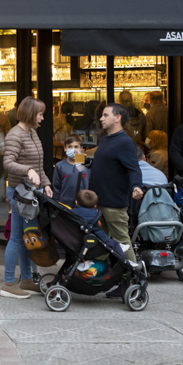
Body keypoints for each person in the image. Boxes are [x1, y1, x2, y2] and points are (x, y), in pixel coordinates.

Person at [0, 96, 53, 299]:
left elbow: (39, 166)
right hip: (20, 194)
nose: (42, 117)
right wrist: (28, 170)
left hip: (29, 193)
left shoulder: (32, 133)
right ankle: (8, 283)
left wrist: (46, 183)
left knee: (25, 238)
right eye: (40, 114)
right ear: (31, 114)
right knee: (16, 239)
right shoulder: (15, 135)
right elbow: (8, 162)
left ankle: (26, 280)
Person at [87, 104, 144, 285]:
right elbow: (101, 163)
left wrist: (136, 186)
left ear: (117, 117)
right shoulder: (105, 139)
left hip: (114, 203)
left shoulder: (125, 142)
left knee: (121, 241)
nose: (101, 119)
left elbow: (134, 169)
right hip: (99, 202)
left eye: (105, 115)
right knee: (101, 242)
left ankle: (134, 278)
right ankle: (102, 277)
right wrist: (79, 159)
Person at [52, 134, 90, 208]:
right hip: (64, 205)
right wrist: (57, 205)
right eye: (70, 147)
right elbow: (56, 188)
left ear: (81, 148)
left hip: (84, 204)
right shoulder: (60, 166)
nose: (73, 149)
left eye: (76, 147)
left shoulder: (87, 165)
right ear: (65, 148)